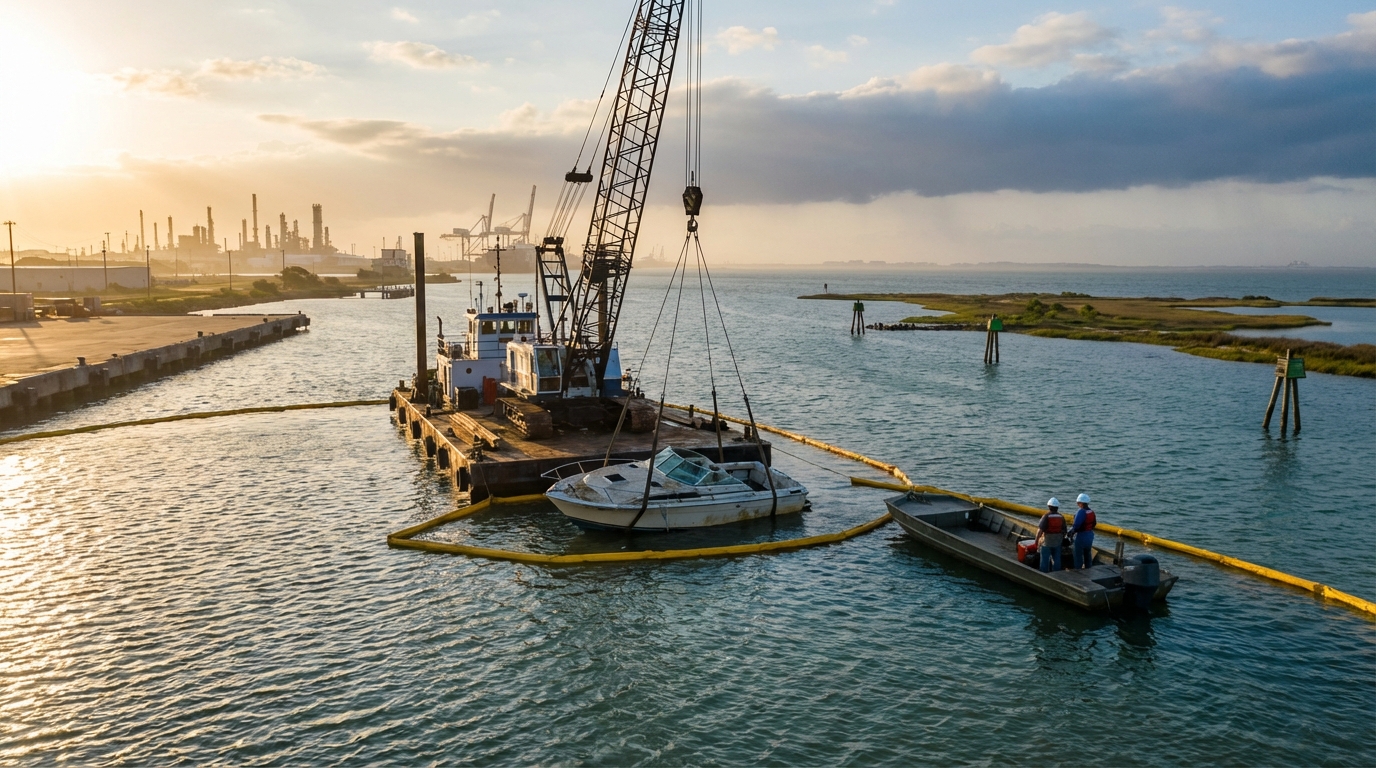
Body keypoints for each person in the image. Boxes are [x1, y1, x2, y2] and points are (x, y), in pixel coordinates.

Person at [1036, 498, 1066, 572]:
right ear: (1057, 507)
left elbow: (1040, 531)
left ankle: (1044, 572)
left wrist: (1036, 541)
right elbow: (1064, 531)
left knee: (1044, 559)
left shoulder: (1046, 516)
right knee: (1056, 559)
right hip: (1057, 541)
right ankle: (1056, 573)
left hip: (1047, 541)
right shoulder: (1061, 517)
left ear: (1049, 506)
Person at [1070, 493, 1096, 569]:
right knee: (1087, 553)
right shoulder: (1091, 512)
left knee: (1078, 555)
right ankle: (1089, 569)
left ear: (1081, 503)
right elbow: (1094, 523)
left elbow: (1076, 525)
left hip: (1081, 536)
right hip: (1090, 535)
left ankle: (1078, 572)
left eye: (1078, 503)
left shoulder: (1081, 512)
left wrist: (1071, 533)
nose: (1077, 504)